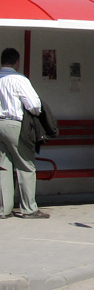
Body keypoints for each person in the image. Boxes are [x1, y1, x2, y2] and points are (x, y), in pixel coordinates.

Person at [0, 47, 46, 219]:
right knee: (25, 165)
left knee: (3, 166)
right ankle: (28, 208)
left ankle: (3, 209)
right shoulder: (19, 79)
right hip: (15, 124)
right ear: (17, 62)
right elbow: (34, 105)